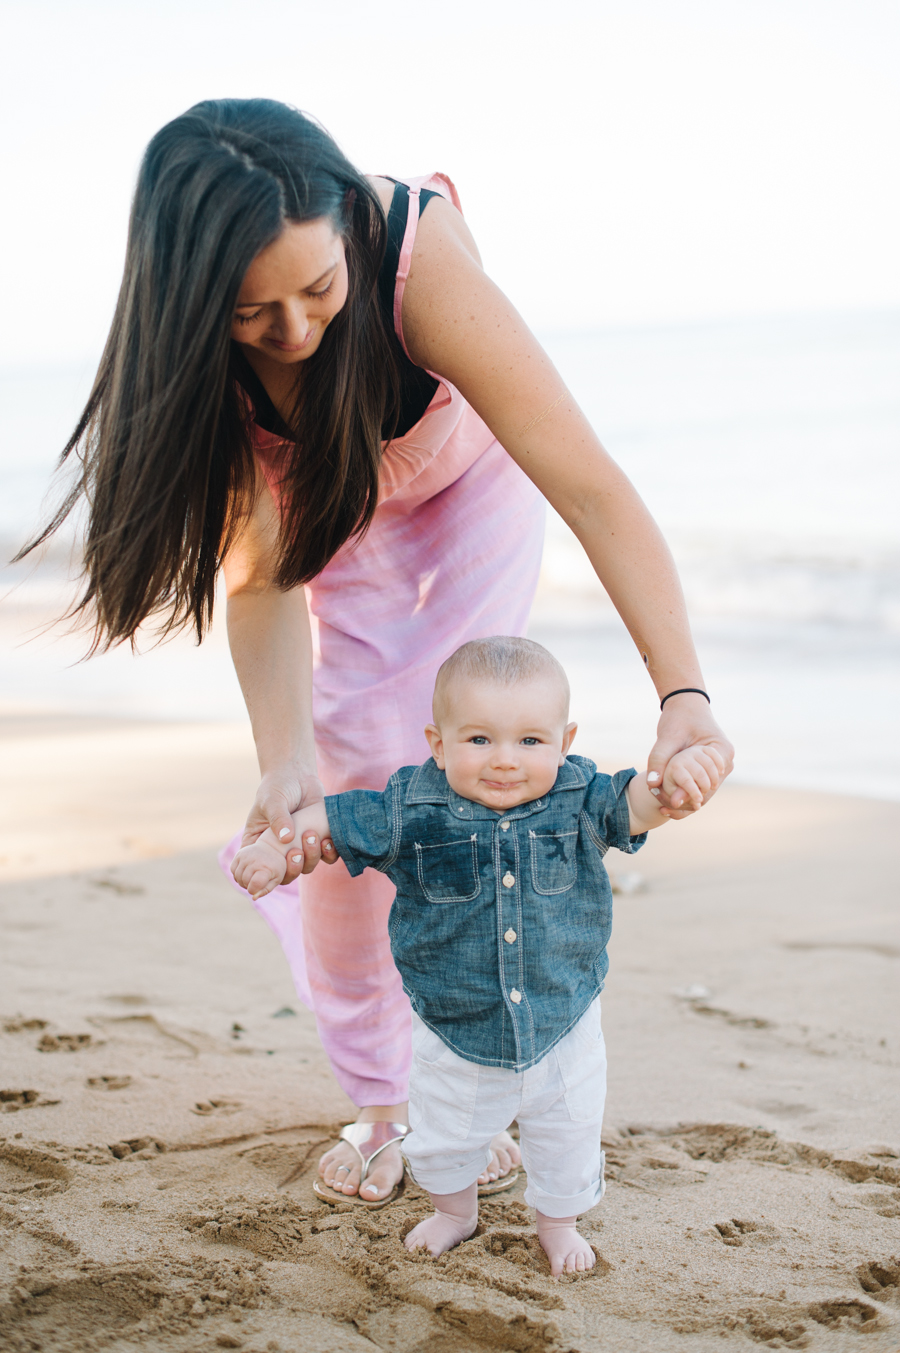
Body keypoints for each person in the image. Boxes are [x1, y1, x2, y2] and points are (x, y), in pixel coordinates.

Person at [18, 98, 733, 1207]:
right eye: (254, 312)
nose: (296, 333)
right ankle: (386, 1096)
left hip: (470, 483)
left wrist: (682, 691)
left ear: (347, 231)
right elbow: (259, 583)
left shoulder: (416, 258)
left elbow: (588, 483)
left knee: (443, 750)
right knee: (349, 773)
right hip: (330, 498)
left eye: (317, 292)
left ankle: (479, 1055)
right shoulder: (206, 374)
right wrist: (284, 760)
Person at [232, 636, 717, 1274]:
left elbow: (640, 804)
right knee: (441, 1140)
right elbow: (338, 821)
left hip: (563, 1018)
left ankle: (558, 1223)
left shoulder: (581, 799)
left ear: (564, 740)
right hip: (454, 1022)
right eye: (480, 740)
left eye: (531, 741)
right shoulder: (412, 808)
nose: (506, 761)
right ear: (438, 743)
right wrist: (277, 847)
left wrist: (679, 786)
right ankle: (455, 1213)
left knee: (566, 1134)